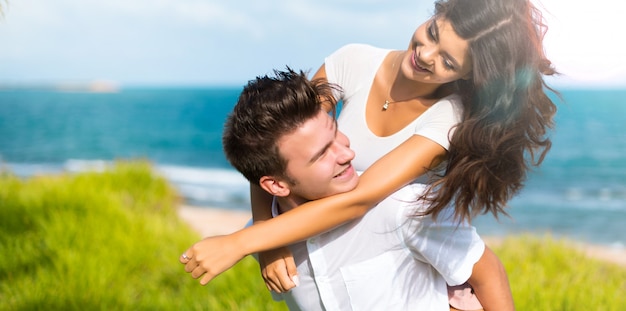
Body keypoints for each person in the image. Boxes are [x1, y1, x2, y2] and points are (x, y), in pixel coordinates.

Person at [181, 0, 556, 309]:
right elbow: (274, 148)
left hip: (410, 271)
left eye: (449, 62)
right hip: (345, 261)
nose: (425, 54)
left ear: (469, 76)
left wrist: (243, 242)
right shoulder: (353, 61)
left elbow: (360, 199)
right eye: (432, 33)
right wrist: (267, 236)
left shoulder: (449, 117)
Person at [192, 67, 509, 310]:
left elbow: (487, 271)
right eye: (321, 154)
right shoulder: (267, 244)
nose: (347, 153)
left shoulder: (404, 207)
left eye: (335, 133)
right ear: (275, 185)